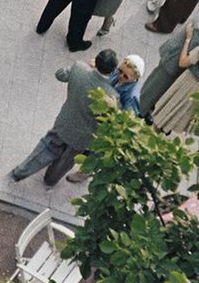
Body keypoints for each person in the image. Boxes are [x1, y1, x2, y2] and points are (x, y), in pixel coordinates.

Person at [10, 49, 119, 185]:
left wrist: (85, 65)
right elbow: (111, 121)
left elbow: (60, 74)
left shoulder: (79, 69)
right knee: (66, 162)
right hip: (82, 138)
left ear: (96, 60)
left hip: (64, 123)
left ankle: (20, 173)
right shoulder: (111, 95)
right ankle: (49, 181)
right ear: (112, 70)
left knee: (46, 149)